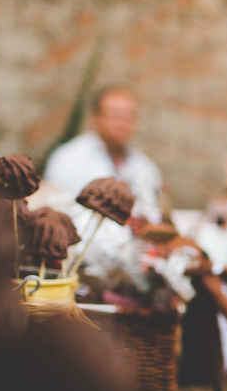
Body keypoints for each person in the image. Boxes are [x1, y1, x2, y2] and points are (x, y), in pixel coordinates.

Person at [44, 85, 165, 272]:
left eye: (129, 116)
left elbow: (154, 214)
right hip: (78, 264)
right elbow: (60, 215)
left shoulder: (145, 168)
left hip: (137, 265)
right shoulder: (68, 159)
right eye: (115, 115)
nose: (123, 123)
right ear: (95, 118)